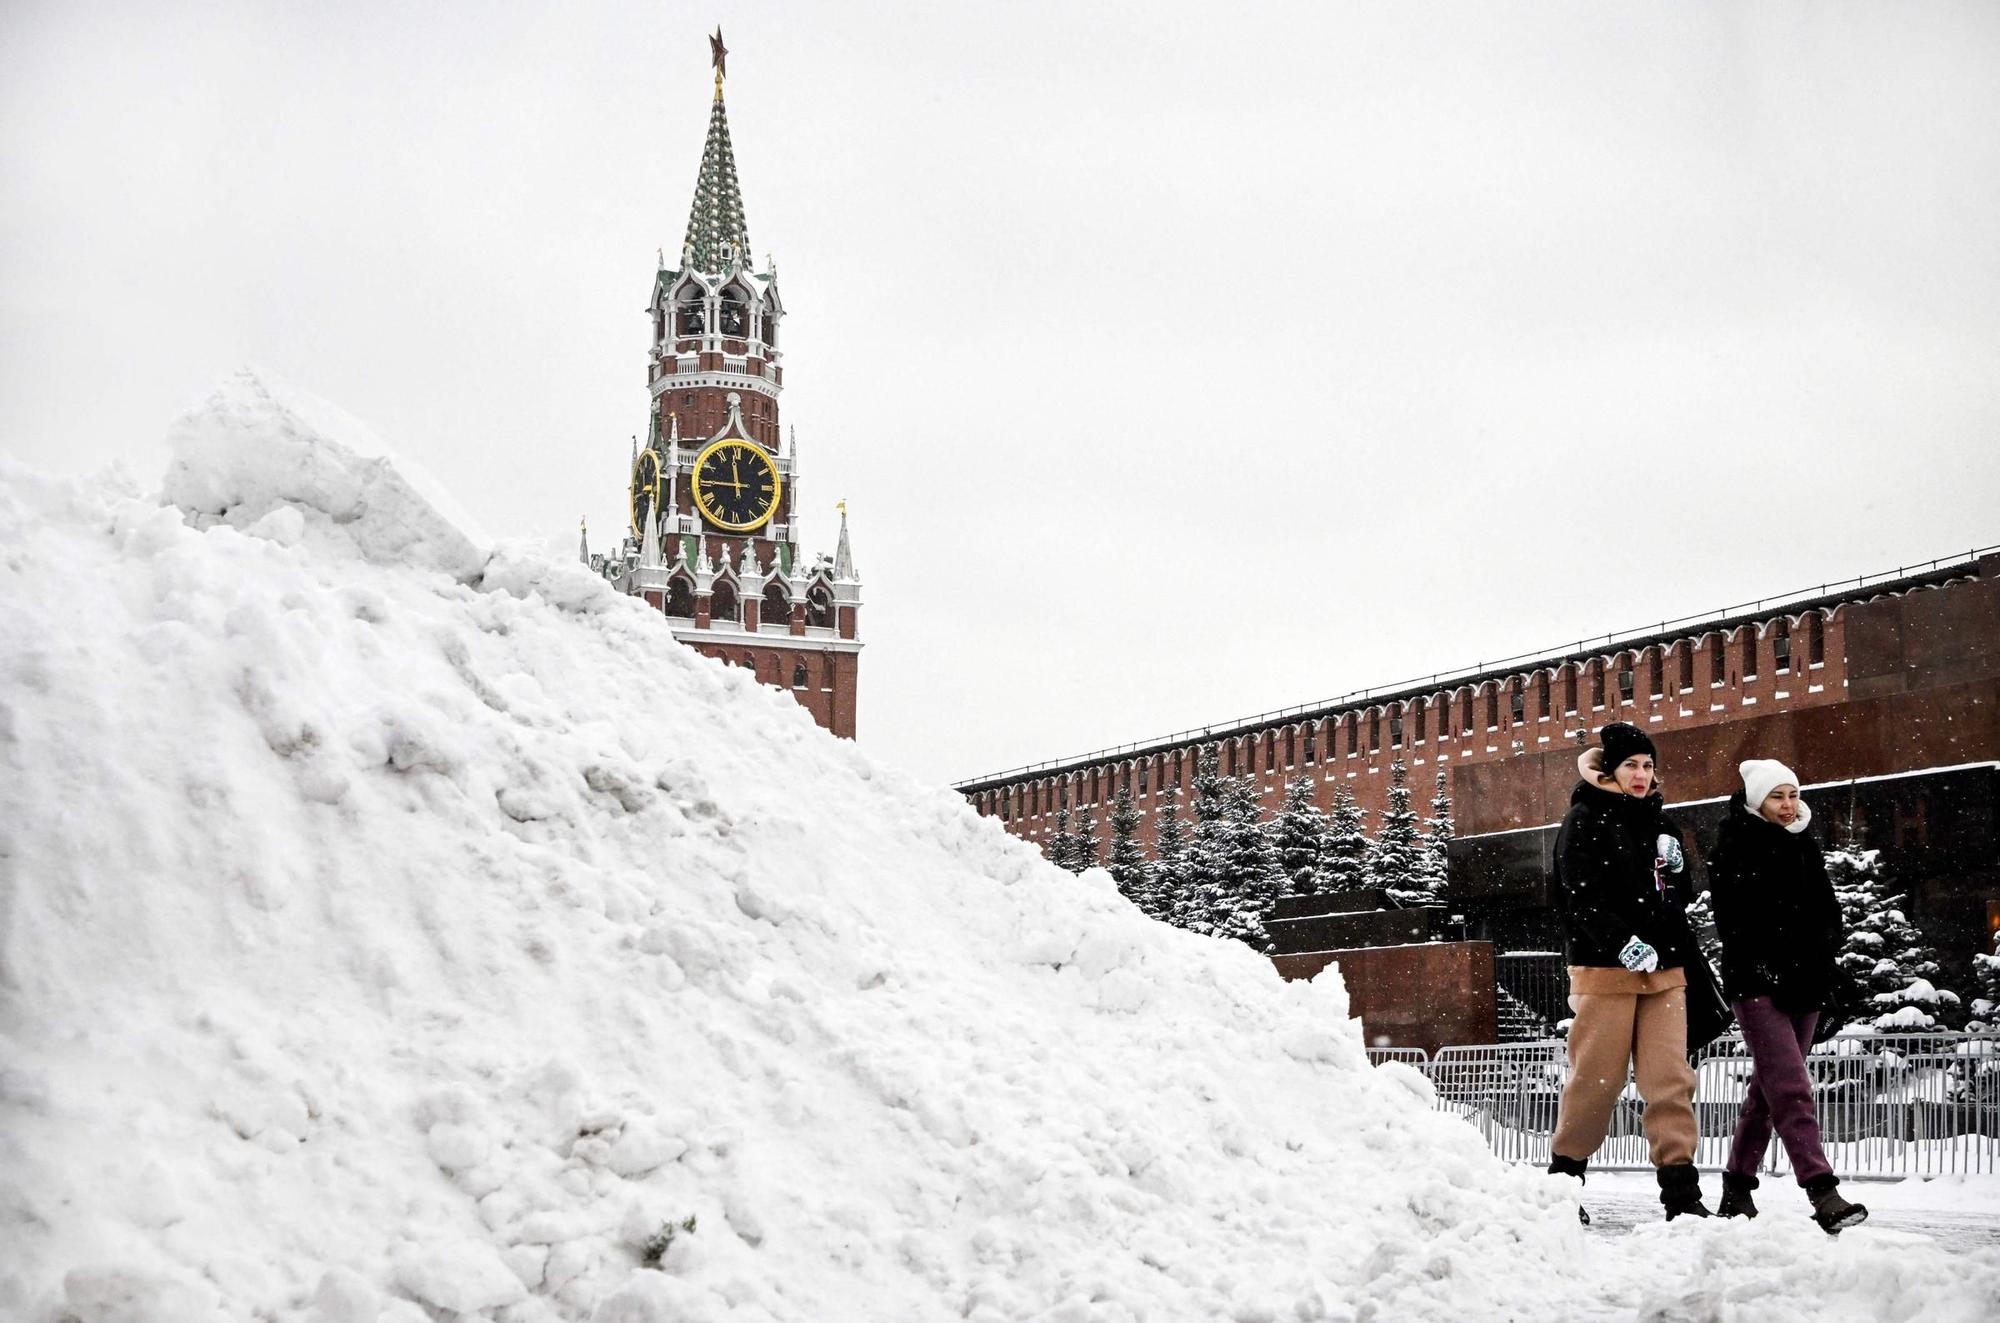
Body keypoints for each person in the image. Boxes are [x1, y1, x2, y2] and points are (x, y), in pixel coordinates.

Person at [1546, 722, 1709, 1221]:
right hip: (1605, 969)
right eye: (1631, 765)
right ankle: (1562, 1188)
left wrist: (1677, 871)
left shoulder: (1662, 823)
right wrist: (1622, 942)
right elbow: (1578, 896)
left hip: (1666, 968)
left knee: (1671, 1081)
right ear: (1609, 769)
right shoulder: (1584, 819)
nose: (1641, 775)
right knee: (1597, 1082)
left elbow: (1681, 896)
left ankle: (1682, 1196)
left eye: (1648, 766)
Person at [1706, 759, 1869, 1233]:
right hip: (1757, 983)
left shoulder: (1804, 844)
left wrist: (1823, 959)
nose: (1788, 805)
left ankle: (1737, 1189)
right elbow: (1735, 923)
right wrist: (1771, 961)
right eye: (1777, 796)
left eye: (1793, 794)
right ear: (1757, 800)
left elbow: (1828, 914)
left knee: (1768, 1090)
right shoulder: (1733, 846)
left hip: (1806, 982)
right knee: (1792, 1088)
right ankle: (1822, 1190)